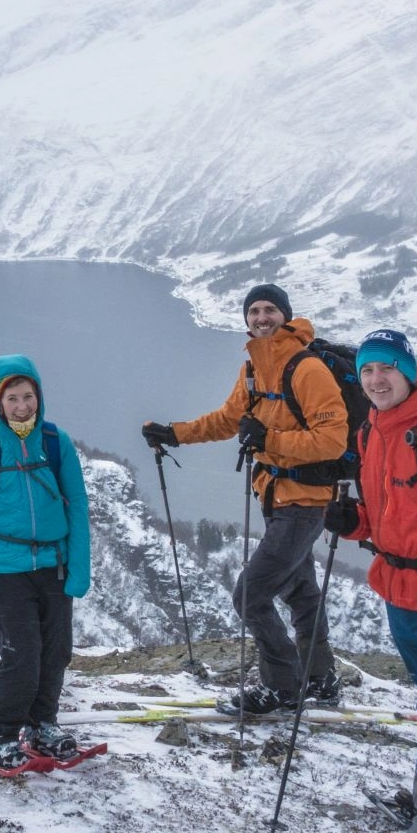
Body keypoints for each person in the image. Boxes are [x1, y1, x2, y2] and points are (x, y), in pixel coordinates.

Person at [141, 283, 346, 714]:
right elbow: (229, 420)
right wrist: (174, 434)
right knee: (301, 592)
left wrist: (269, 438)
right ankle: (321, 679)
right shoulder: (254, 368)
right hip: (276, 495)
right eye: (254, 311)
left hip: (304, 501)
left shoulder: (306, 370)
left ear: (285, 315)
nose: (261, 317)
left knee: (249, 594)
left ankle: (282, 686)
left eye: (270, 309)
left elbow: (331, 441)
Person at [323, 329, 417, 833]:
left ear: (408, 371)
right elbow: (384, 516)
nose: (377, 380)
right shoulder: (370, 430)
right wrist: (352, 523)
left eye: (387, 368)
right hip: (400, 593)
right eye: (366, 372)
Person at [0, 353, 91, 769]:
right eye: (12, 398)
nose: (22, 406)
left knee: (56, 651)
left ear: (39, 397)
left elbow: (78, 507)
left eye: (28, 396)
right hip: (10, 568)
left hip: (54, 564)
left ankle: (41, 724)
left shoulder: (56, 443)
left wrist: (80, 568)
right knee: (22, 654)